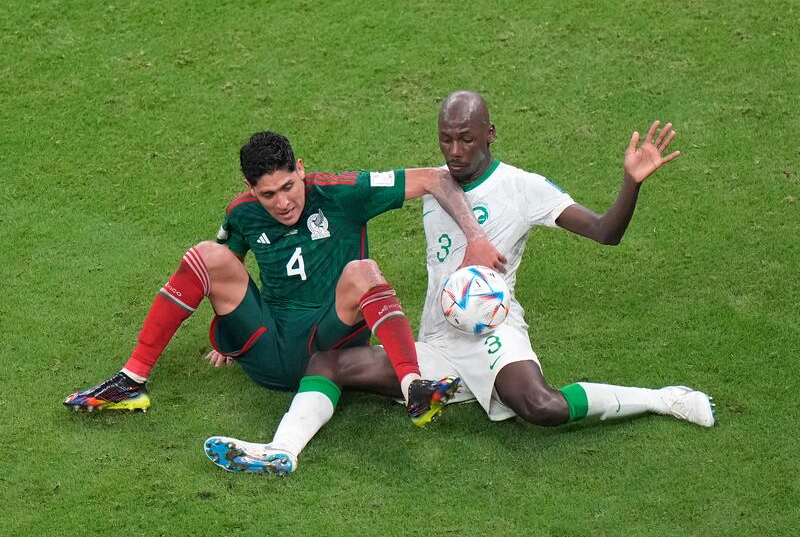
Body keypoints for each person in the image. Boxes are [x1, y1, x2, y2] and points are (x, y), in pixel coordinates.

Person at [204, 91, 715, 476]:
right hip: (437, 342)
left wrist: (631, 181)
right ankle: (282, 451)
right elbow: (418, 181)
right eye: (446, 138)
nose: (455, 150)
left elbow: (606, 232)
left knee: (542, 407)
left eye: (467, 138)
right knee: (327, 362)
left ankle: (660, 397)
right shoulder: (438, 183)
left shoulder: (523, 188)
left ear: (491, 133)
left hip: (492, 331)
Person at [63, 130, 506, 427]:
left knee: (361, 271)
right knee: (204, 254)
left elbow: (436, 178)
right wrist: (227, 339)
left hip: (328, 343)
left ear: (300, 167)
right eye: (267, 194)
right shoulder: (243, 212)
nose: (281, 203)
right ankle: (130, 380)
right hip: (268, 350)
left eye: (288, 187)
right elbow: (218, 271)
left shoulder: (344, 192)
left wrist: (476, 236)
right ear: (250, 187)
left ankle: (413, 385)